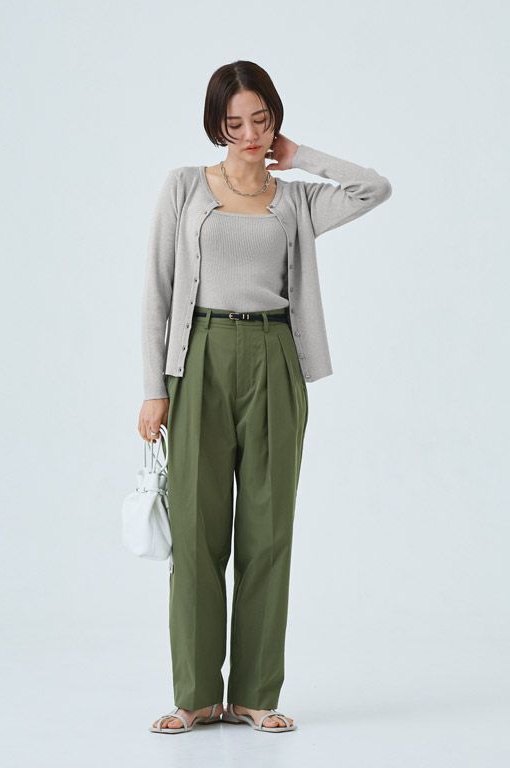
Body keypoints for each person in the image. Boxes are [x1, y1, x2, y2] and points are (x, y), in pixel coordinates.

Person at [137, 60, 392, 734]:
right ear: (216, 126)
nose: (250, 134)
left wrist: (299, 155)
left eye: (261, 120)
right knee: (196, 533)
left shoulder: (296, 201)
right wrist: (152, 389)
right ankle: (196, 696)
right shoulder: (185, 187)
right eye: (235, 123)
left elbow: (374, 188)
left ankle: (254, 694)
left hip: (275, 358)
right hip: (198, 359)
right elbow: (157, 289)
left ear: (275, 119)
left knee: (268, 531)